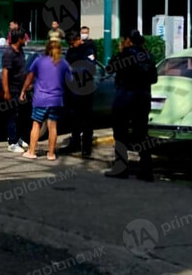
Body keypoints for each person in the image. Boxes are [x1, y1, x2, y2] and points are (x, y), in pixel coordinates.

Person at [105, 29, 158, 181]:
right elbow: (154, 78)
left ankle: (121, 168)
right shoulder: (148, 55)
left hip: (125, 98)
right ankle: (147, 170)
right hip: (143, 98)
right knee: (142, 133)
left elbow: (109, 68)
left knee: (120, 133)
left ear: (128, 40)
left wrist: (120, 52)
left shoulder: (126, 54)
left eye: (123, 40)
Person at [20, 41, 71, 161]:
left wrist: (23, 90)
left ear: (46, 49)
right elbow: (70, 80)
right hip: (56, 100)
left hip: (40, 99)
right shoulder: (63, 63)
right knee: (52, 127)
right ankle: (51, 154)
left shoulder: (39, 60)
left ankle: (31, 152)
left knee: (36, 125)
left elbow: (30, 77)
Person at [63, 31, 97, 157]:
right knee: (75, 118)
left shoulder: (89, 48)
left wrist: (74, 69)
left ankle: (86, 147)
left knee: (87, 119)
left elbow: (89, 67)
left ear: (78, 39)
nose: (71, 46)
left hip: (86, 88)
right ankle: (75, 142)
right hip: (73, 89)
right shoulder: (71, 51)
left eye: (73, 43)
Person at [1, 29, 29, 153]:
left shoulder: (20, 51)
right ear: (19, 39)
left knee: (21, 115)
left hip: (21, 89)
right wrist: (6, 91)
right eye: (24, 38)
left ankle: (18, 138)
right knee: (11, 116)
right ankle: (12, 142)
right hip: (12, 89)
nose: (26, 40)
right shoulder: (9, 53)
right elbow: (5, 73)